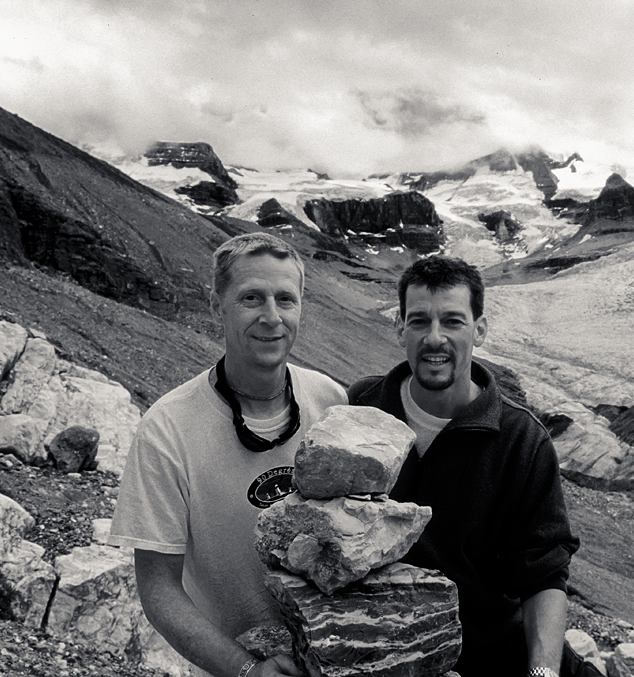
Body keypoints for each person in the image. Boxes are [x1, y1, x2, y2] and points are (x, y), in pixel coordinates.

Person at [109, 233, 347, 677]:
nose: (271, 317)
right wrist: (244, 669)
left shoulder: (332, 400)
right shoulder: (168, 429)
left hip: (333, 661)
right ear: (217, 306)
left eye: (285, 299)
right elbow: (158, 587)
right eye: (251, 298)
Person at [348, 256, 581, 677]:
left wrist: (542, 673)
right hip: (388, 659)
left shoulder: (520, 438)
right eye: (419, 321)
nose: (434, 338)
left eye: (453, 321)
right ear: (400, 326)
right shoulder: (362, 408)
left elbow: (543, 574)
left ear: (480, 329)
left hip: (495, 655)